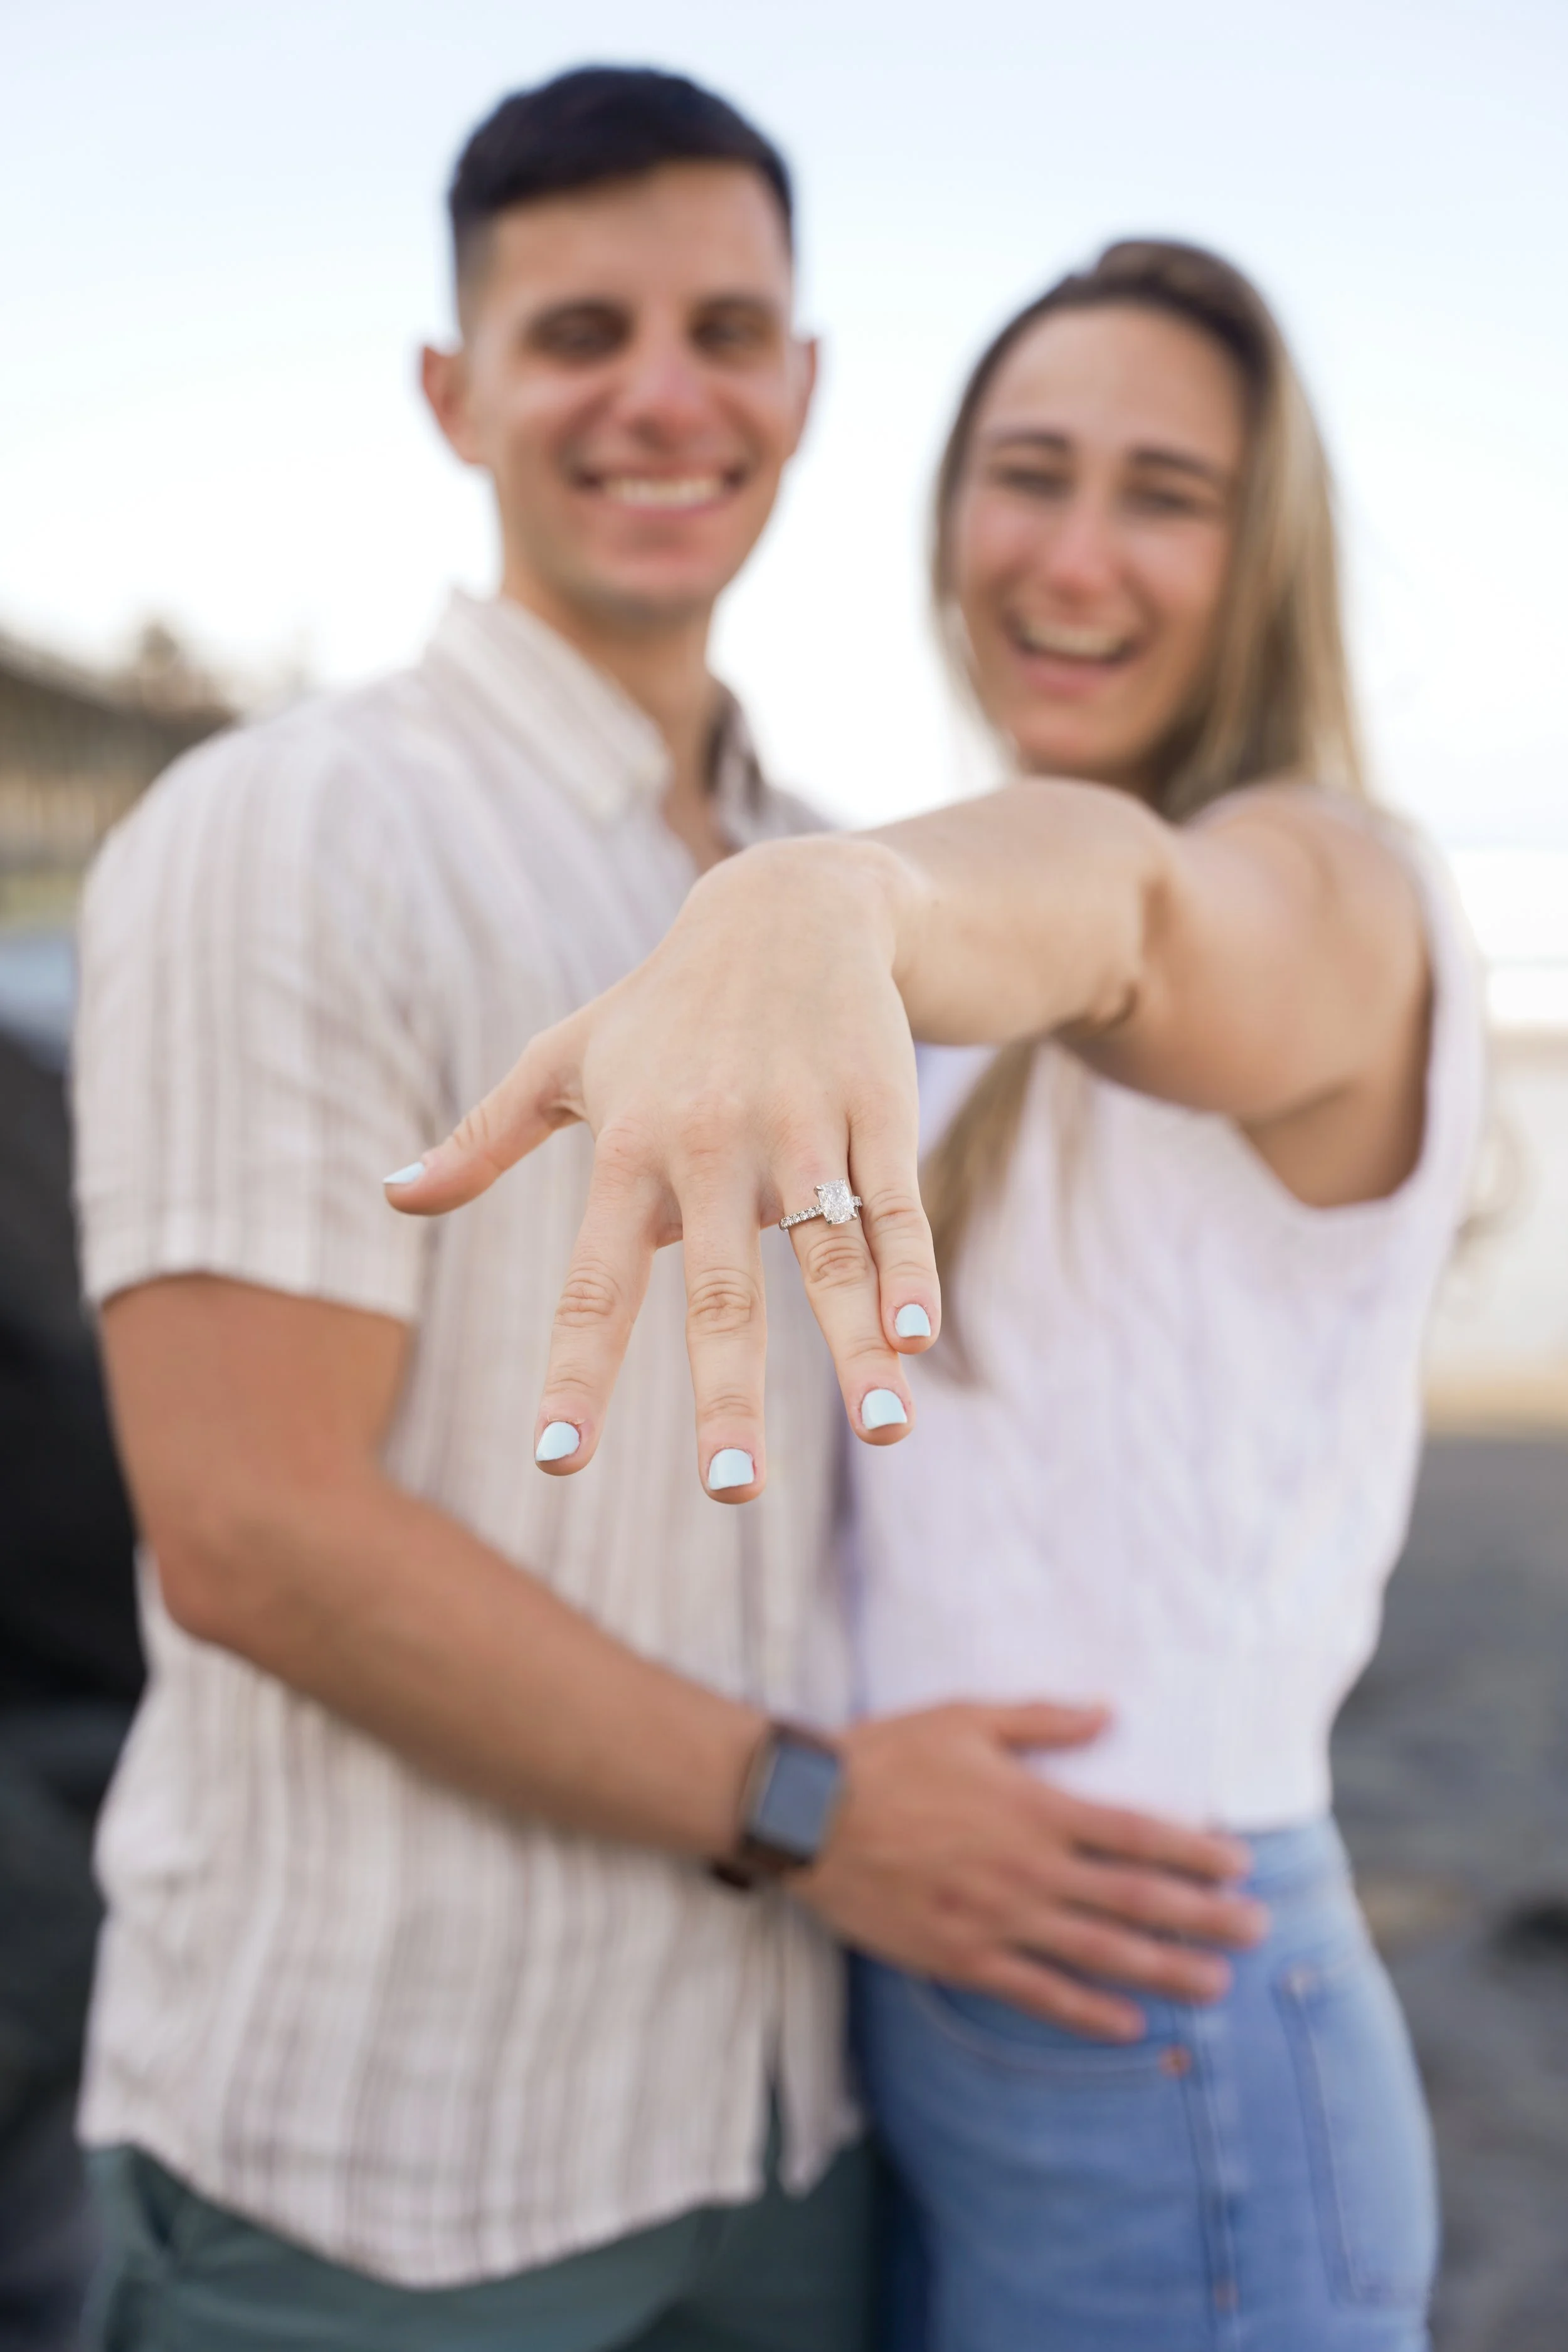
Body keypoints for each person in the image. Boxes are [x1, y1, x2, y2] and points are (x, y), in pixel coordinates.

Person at [72, 76, 1260, 2351]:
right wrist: (816, 1806)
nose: (661, 396)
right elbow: (249, 1528)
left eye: (723, 333)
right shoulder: (285, 826)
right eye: (577, 333)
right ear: (454, 393)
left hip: (776, 2123)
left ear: (801, 385)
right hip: (378, 2165)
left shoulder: (831, 861)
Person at [395, 241, 1485, 2348]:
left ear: (1261, 552)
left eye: (1163, 494)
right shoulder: (956, 965)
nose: (1070, 554)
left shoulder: (1332, 882)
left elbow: (1138, 907)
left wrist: (831, 889)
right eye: (1027, 472)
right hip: (900, 1998)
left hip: (1159, 2031)